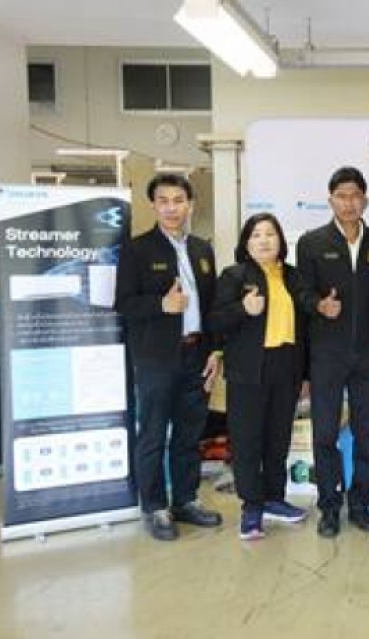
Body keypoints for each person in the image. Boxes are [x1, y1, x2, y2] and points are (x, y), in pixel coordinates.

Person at [115, 174, 223, 541]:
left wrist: (215, 351)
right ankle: (155, 507)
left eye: (178, 200)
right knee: (153, 434)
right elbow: (124, 303)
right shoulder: (137, 249)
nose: (171, 208)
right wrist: (161, 304)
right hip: (156, 358)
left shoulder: (203, 250)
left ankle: (186, 500)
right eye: (163, 201)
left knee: (190, 434)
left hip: (197, 354)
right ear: (154, 205)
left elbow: (212, 307)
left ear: (189, 205)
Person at [295, 167, 369, 538]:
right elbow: (301, 294)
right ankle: (329, 506)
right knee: (325, 434)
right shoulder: (312, 242)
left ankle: (361, 505)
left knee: (368, 433)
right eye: (341, 196)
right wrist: (319, 305)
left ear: (365, 200)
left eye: (355, 196)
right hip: (327, 353)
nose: (349, 203)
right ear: (331, 200)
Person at [209, 213, 307, 540]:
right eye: (256, 234)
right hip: (248, 369)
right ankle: (252, 506)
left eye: (270, 234)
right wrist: (242, 309)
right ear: (246, 243)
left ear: (280, 240)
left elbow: (306, 328)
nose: (264, 240)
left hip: (287, 366)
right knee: (248, 440)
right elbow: (215, 321)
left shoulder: (294, 277)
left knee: (278, 439)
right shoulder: (234, 275)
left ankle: (275, 499)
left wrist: (305, 374)